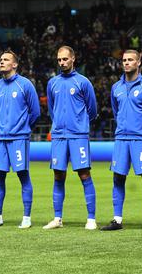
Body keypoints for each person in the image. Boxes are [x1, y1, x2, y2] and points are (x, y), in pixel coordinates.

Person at [100, 49, 142, 232]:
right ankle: (117, 220)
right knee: (118, 177)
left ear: (139, 62)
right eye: (124, 60)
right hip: (121, 139)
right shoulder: (116, 88)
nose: (126, 63)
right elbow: (116, 111)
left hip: (140, 139)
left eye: (130, 60)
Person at [0, 51, 40, 229]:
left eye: (6, 60)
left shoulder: (25, 85)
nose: (1, 62)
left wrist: (22, 128)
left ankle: (26, 217)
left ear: (14, 65)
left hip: (19, 138)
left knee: (23, 176)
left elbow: (36, 113)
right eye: (0, 60)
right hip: (0, 138)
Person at [43, 46, 98, 230]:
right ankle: (57, 218)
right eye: (59, 60)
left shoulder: (83, 82)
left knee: (84, 174)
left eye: (65, 59)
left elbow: (92, 110)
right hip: (59, 135)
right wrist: (59, 124)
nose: (62, 63)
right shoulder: (53, 83)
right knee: (58, 175)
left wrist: (79, 124)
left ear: (73, 59)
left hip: (78, 136)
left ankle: (91, 218)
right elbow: (52, 109)